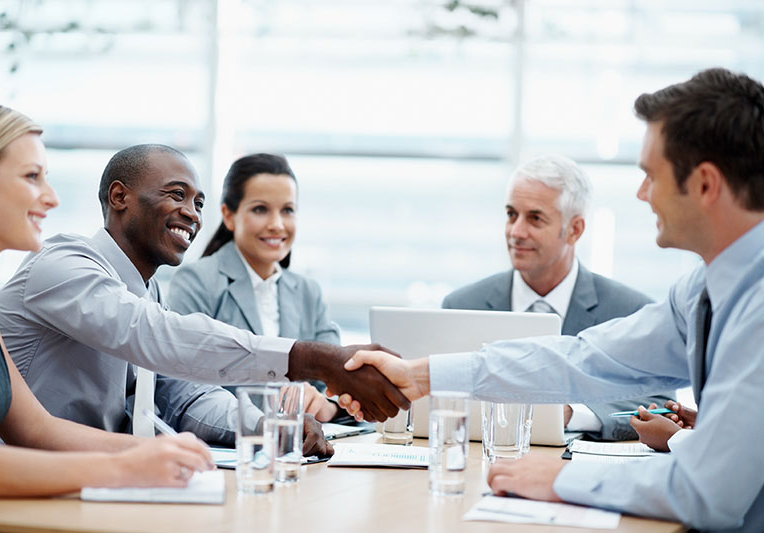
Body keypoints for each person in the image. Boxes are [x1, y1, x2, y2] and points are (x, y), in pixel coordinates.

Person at [338, 68, 764, 532]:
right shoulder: (702, 290)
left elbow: (707, 492)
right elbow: (584, 358)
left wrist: (564, 478)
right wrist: (422, 375)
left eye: (650, 176)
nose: (642, 194)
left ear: (705, 184)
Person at [0, 144, 406, 455]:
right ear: (120, 198)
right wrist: (314, 358)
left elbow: (183, 394)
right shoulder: (62, 264)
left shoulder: (147, 290)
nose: (192, 213)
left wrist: (268, 425)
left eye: (198, 202)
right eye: (176, 194)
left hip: (92, 475)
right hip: (16, 474)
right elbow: (155, 337)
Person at [0, 103, 214, 496]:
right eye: (32, 177)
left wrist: (158, 454)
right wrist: (121, 468)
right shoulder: (64, 264)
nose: (51, 199)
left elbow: (36, 427)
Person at [443, 154, 669, 441]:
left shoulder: (630, 311)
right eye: (512, 214)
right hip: (480, 464)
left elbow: (660, 405)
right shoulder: (461, 307)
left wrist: (572, 414)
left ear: (574, 230)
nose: (516, 231)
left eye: (535, 219)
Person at [169, 153, 341, 422]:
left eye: (288, 210)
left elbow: (338, 381)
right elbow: (181, 387)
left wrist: (325, 406)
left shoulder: (308, 292)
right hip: (229, 448)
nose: (277, 224)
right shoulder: (197, 281)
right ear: (228, 215)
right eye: (260, 209)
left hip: (301, 452)